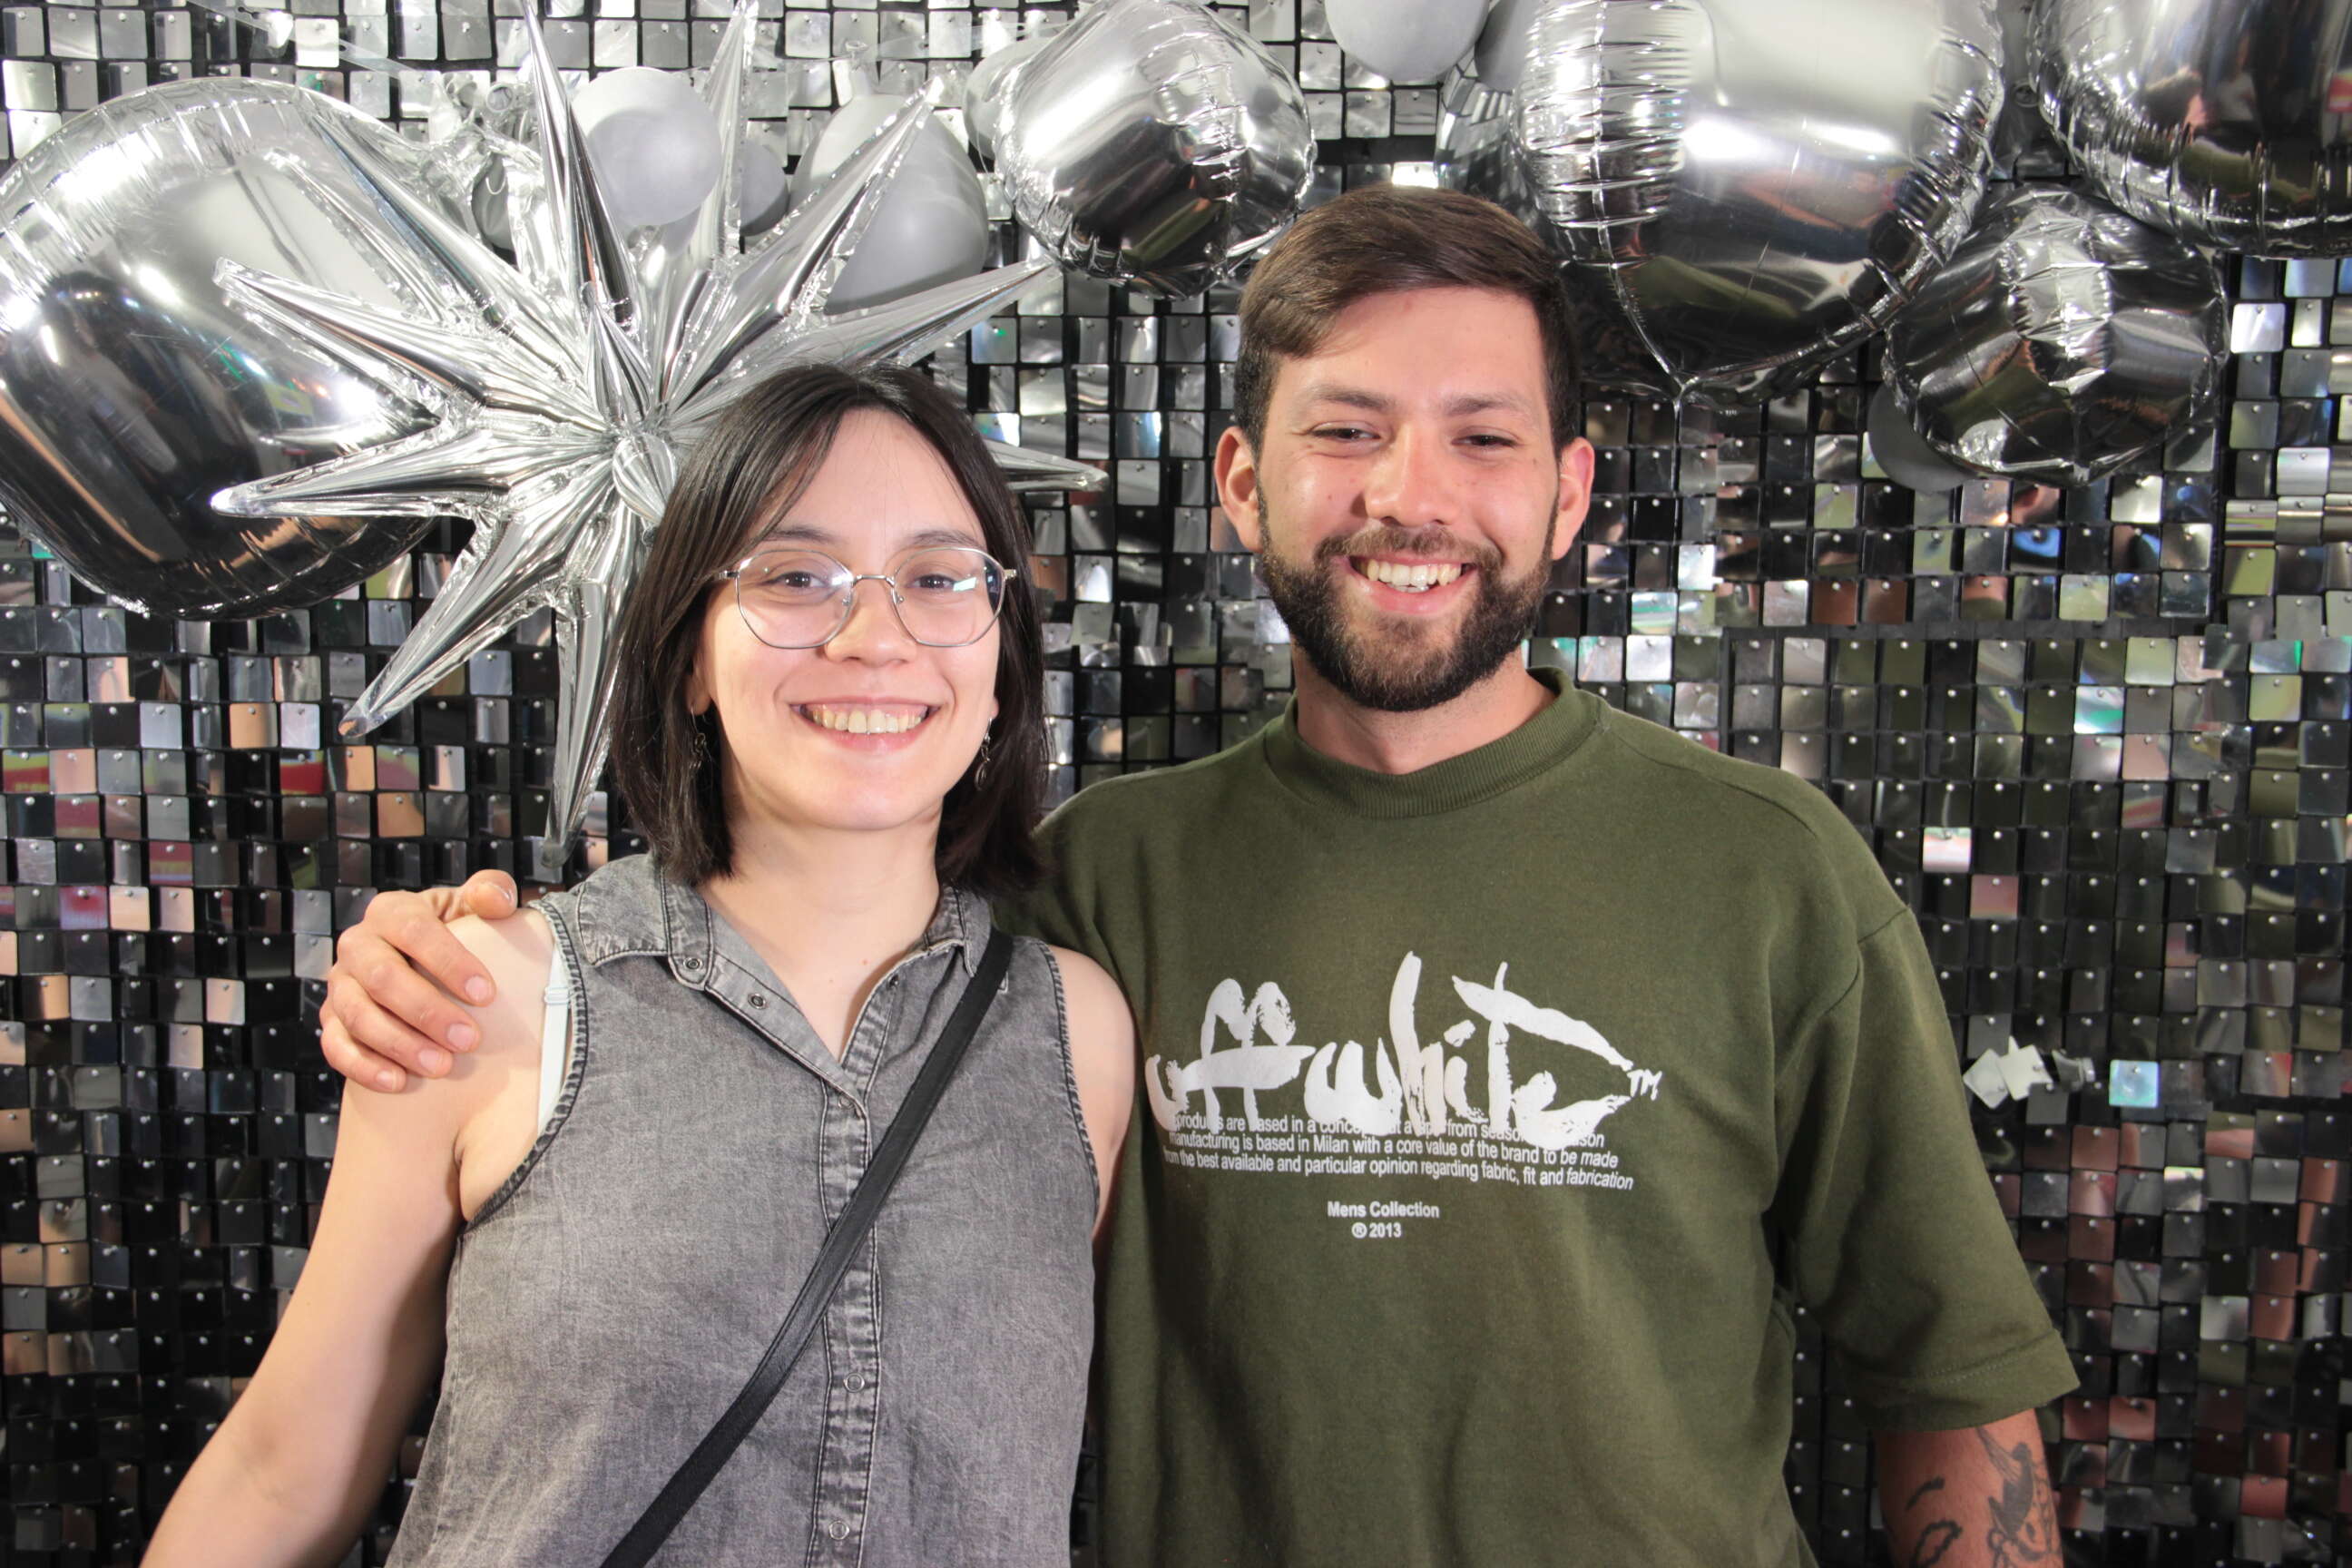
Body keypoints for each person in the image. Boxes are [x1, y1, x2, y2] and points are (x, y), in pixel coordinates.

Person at [318, 187, 2076, 1567]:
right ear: (1243, 483)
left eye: (1482, 438)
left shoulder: (1766, 873)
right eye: (1346, 431)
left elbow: (1954, 1383)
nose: (1411, 496)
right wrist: (465, 960)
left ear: (1567, 494)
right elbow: (789, 1011)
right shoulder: (1095, 885)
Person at [148, 363, 1134, 1566]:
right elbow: (282, 1472)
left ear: (1001, 662)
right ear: (691, 660)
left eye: (937, 578)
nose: (874, 637)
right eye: (795, 576)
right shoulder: (488, 993)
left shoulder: (1079, 1033)